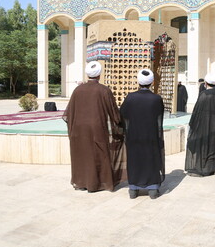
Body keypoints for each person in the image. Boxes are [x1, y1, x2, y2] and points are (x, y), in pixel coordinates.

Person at [63, 61, 124, 193]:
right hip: (97, 128)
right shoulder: (104, 90)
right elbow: (114, 113)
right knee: (98, 154)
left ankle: (82, 182)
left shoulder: (77, 90)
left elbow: (68, 114)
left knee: (83, 154)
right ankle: (97, 183)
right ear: (99, 75)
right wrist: (121, 124)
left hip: (78, 130)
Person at [120, 69, 165, 199]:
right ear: (151, 83)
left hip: (134, 136)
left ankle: (134, 189)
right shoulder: (156, 99)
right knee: (151, 159)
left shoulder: (130, 97)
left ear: (138, 82)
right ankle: (152, 189)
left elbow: (123, 114)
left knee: (135, 161)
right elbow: (159, 117)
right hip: (151, 136)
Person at [185, 73, 215, 176]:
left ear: (206, 83)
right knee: (214, 146)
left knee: (203, 147)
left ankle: (203, 167)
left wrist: (193, 124)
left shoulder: (204, 95)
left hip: (204, 127)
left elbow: (196, 112)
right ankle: (214, 167)